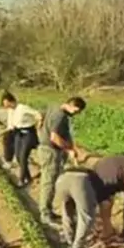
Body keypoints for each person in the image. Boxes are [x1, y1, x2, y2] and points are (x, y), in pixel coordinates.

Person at [36, 96, 87, 224]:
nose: (76, 114)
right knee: (48, 182)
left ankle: (48, 210)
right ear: (73, 106)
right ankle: (45, 214)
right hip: (50, 151)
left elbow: (40, 115)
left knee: (50, 181)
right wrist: (68, 149)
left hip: (46, 149)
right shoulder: (60, 116)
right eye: (77, 111)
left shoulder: (54, 106)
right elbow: (55, 138)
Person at [4, 92, 43, 187]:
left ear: (12, 101)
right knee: (18, 156)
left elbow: (37, 114)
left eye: (7, 104)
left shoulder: (22, 108)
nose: (6, 107)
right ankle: (28, 178)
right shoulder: (10, 111)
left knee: (23, 156)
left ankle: (21, 180)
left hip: (28, 134)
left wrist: (39, 123)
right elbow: (11, 125)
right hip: (18, 133)